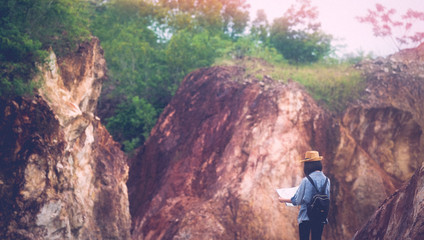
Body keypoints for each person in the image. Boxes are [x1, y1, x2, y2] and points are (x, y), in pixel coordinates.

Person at [279, 151, 330, 240]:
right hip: (320, 217)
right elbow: (326, 199)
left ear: (308, 165)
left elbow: (297, 201)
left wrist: (283, 199)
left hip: (306, 217)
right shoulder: (327, 180)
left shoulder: (306, 180)